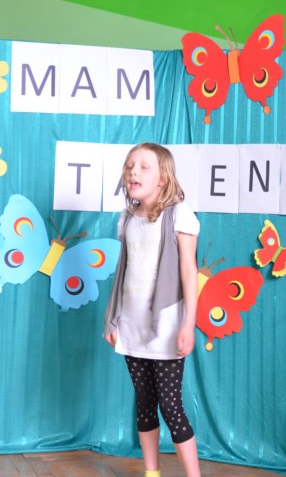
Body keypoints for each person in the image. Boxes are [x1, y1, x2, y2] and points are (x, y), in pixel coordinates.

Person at [103, 142, 201, 477]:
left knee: (171, 406)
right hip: (132, 325)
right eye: (130, 166)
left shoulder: (179, 214)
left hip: (166, 326)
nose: (134, 172)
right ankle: (151, 472)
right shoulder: (128, 219)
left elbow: (188, 271)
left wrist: (188, 324)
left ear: (163, 178)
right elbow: (123, 274)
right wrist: (113, 320)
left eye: (144, 166)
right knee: (144, 404)